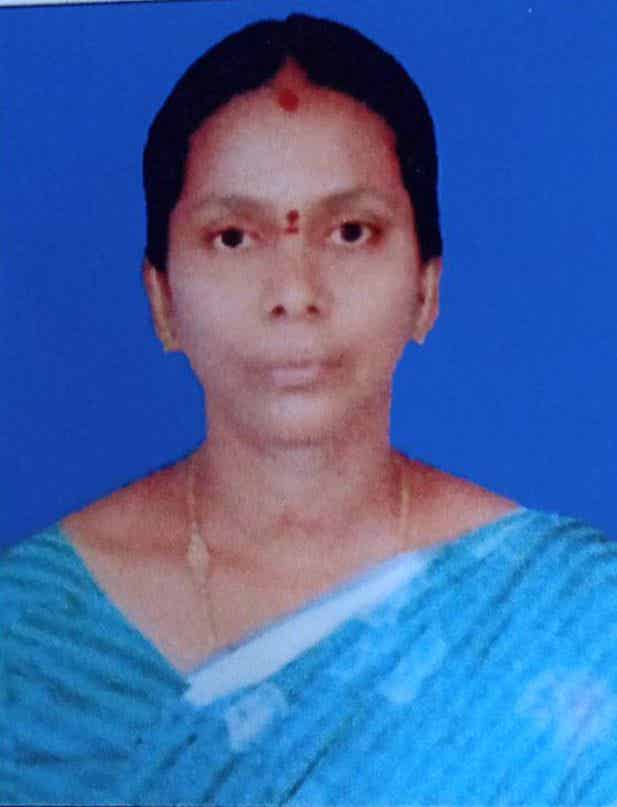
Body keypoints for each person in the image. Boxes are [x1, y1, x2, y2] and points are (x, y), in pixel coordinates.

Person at [2, 13, 616, 806]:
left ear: (426, 287)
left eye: (351, 232)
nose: (294, 293)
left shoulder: (572, 617)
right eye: (233, 238)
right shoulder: (28, 631)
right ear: (161, 300)